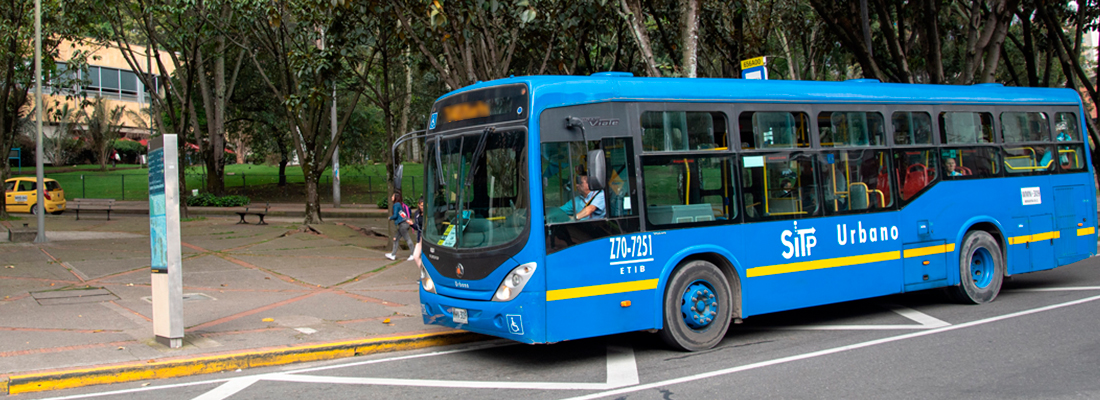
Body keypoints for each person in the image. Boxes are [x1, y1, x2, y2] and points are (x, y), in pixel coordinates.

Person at [385, 192, 416, 261]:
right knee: (395, 238)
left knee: (407, 239)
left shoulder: (396, 205)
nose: (391, 197)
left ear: (395, 197)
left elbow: (395, 215)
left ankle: (413, 254)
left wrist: (390, 218)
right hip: (405, 223)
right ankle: (393, 254)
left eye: (392, 196)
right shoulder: (399, 205)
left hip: (403, 224)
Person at [411, 197, 424, 267]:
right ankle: (423, 271)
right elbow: (417, 227)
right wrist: (412, 224)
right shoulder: (417, 214)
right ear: (418, 205)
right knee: (415, 256)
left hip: (427, 237)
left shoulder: (428, 213)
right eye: (421, 205)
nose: (423, 207)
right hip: (420, 238)